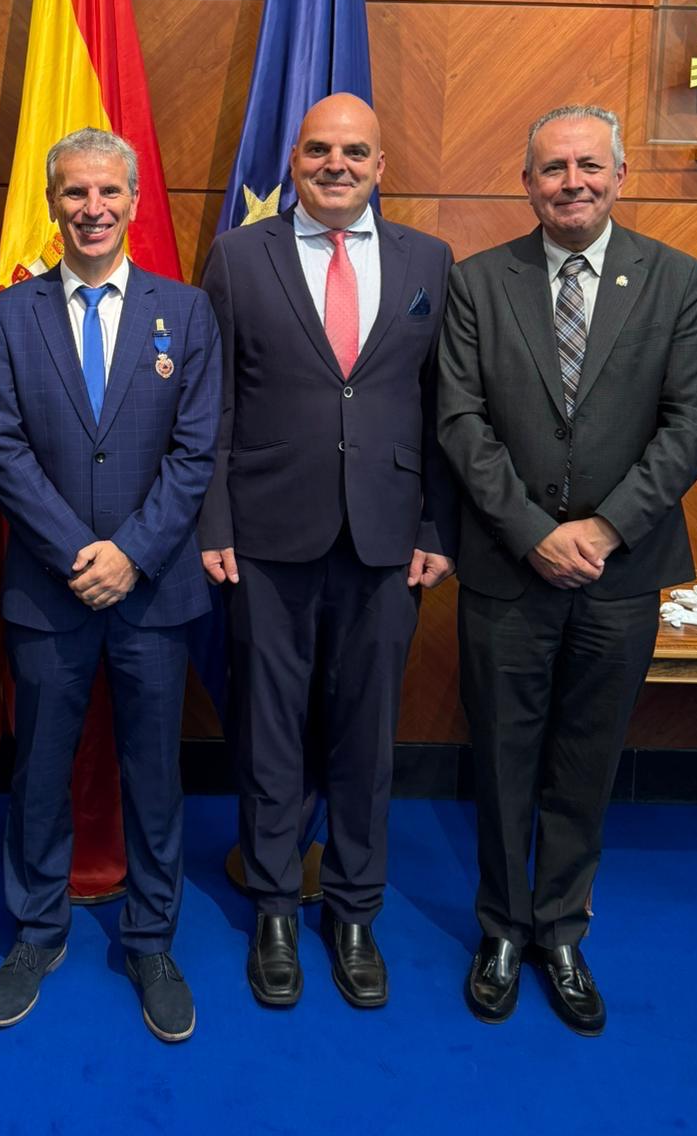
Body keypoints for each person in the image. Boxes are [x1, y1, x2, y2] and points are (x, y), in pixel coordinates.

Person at [438, 104, 697, 1035]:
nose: (572, 182)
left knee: (585, 759)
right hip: (506, 567)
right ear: (527, 183)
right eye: (553, 168)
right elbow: (461, 423)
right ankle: (501, 929)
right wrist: (532, 530)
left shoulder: (675, 280)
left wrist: (603, 529)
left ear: (618, 174)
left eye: (588, 166)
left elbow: (694, 423)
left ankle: (561, 927)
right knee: (503, 756)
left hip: (624, 570)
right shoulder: (479, 283)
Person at [199, 93, 457, 1010]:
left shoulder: (430, 261)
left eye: (355, 151)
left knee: (366, 734)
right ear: (294, 161)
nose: (336, 164)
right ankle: (273, 906)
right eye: (318, 150)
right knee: (268, 728)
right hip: (266, 536)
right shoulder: (238, 256)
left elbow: (442, 412)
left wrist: (435, 529)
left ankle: (353, 910)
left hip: (389, 540)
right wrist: (214, 523)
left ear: (383, 166)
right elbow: (216, 401)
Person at [0, 128, 221, 1043]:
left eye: (107, 192)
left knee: (154, 775)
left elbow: (196, 452)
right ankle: (37, 933)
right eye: (73, 193)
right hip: (49, 589)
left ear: (134, 201)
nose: (91, 209)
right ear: (52, 204)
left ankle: (151, 938)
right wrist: (82, 551)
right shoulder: (6, 317)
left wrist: (133, 554)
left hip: (154, 594)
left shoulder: (186, 313)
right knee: (39, 771)